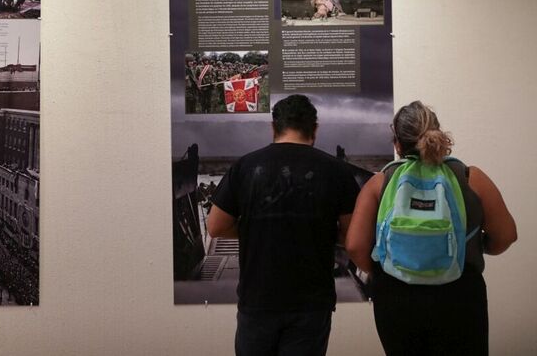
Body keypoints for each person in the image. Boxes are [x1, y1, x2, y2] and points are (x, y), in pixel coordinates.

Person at [345, 101, 517, 356]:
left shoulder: (379, 183)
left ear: (397, 144)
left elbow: (354, 246)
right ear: (437, 133)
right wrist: (477, 247)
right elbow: (506, 235)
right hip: (460, 293)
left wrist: (382, 270)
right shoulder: (471, 177)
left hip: (396, 296)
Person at [207, 94, 359, 356]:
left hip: (258, 298)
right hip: (312, 301)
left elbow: (215, 227)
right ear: (314, 129)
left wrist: (254, 229)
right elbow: (351, 235)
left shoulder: (245, 166)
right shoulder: (337, 171)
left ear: (273, 127)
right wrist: (320, 232)